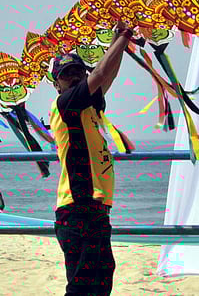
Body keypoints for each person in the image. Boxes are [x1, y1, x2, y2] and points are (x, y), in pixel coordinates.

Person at [50, 20, 133, 295]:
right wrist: (123, 36)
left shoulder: (88, 108)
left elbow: (105, 77)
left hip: (94, 209)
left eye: (77, 72)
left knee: (101, 283)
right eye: (67, 75)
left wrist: (119, 43)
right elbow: (98, 74)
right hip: (76, 209)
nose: (74, 77)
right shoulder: (66, 104)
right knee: (81, 288)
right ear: (56, 83)